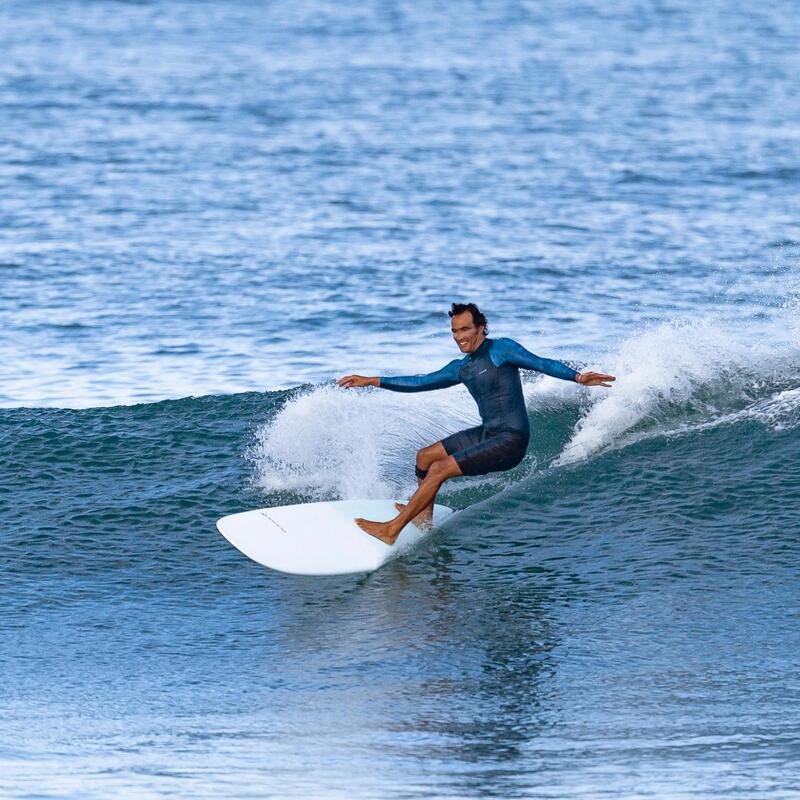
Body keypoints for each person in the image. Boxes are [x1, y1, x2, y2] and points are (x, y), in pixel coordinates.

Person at [337, 302, 615, 544]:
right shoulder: (462, 367)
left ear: (481, 328)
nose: (459, 337)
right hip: (489, 433)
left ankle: (392, 530)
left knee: (439, 469)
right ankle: (422, 517)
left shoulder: (501, 350)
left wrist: (578, 377)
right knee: (425, 458)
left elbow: (540, 362)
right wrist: (372, 380)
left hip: (511, 440)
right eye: (455, 331)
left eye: (465, 329)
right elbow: (419, 382)